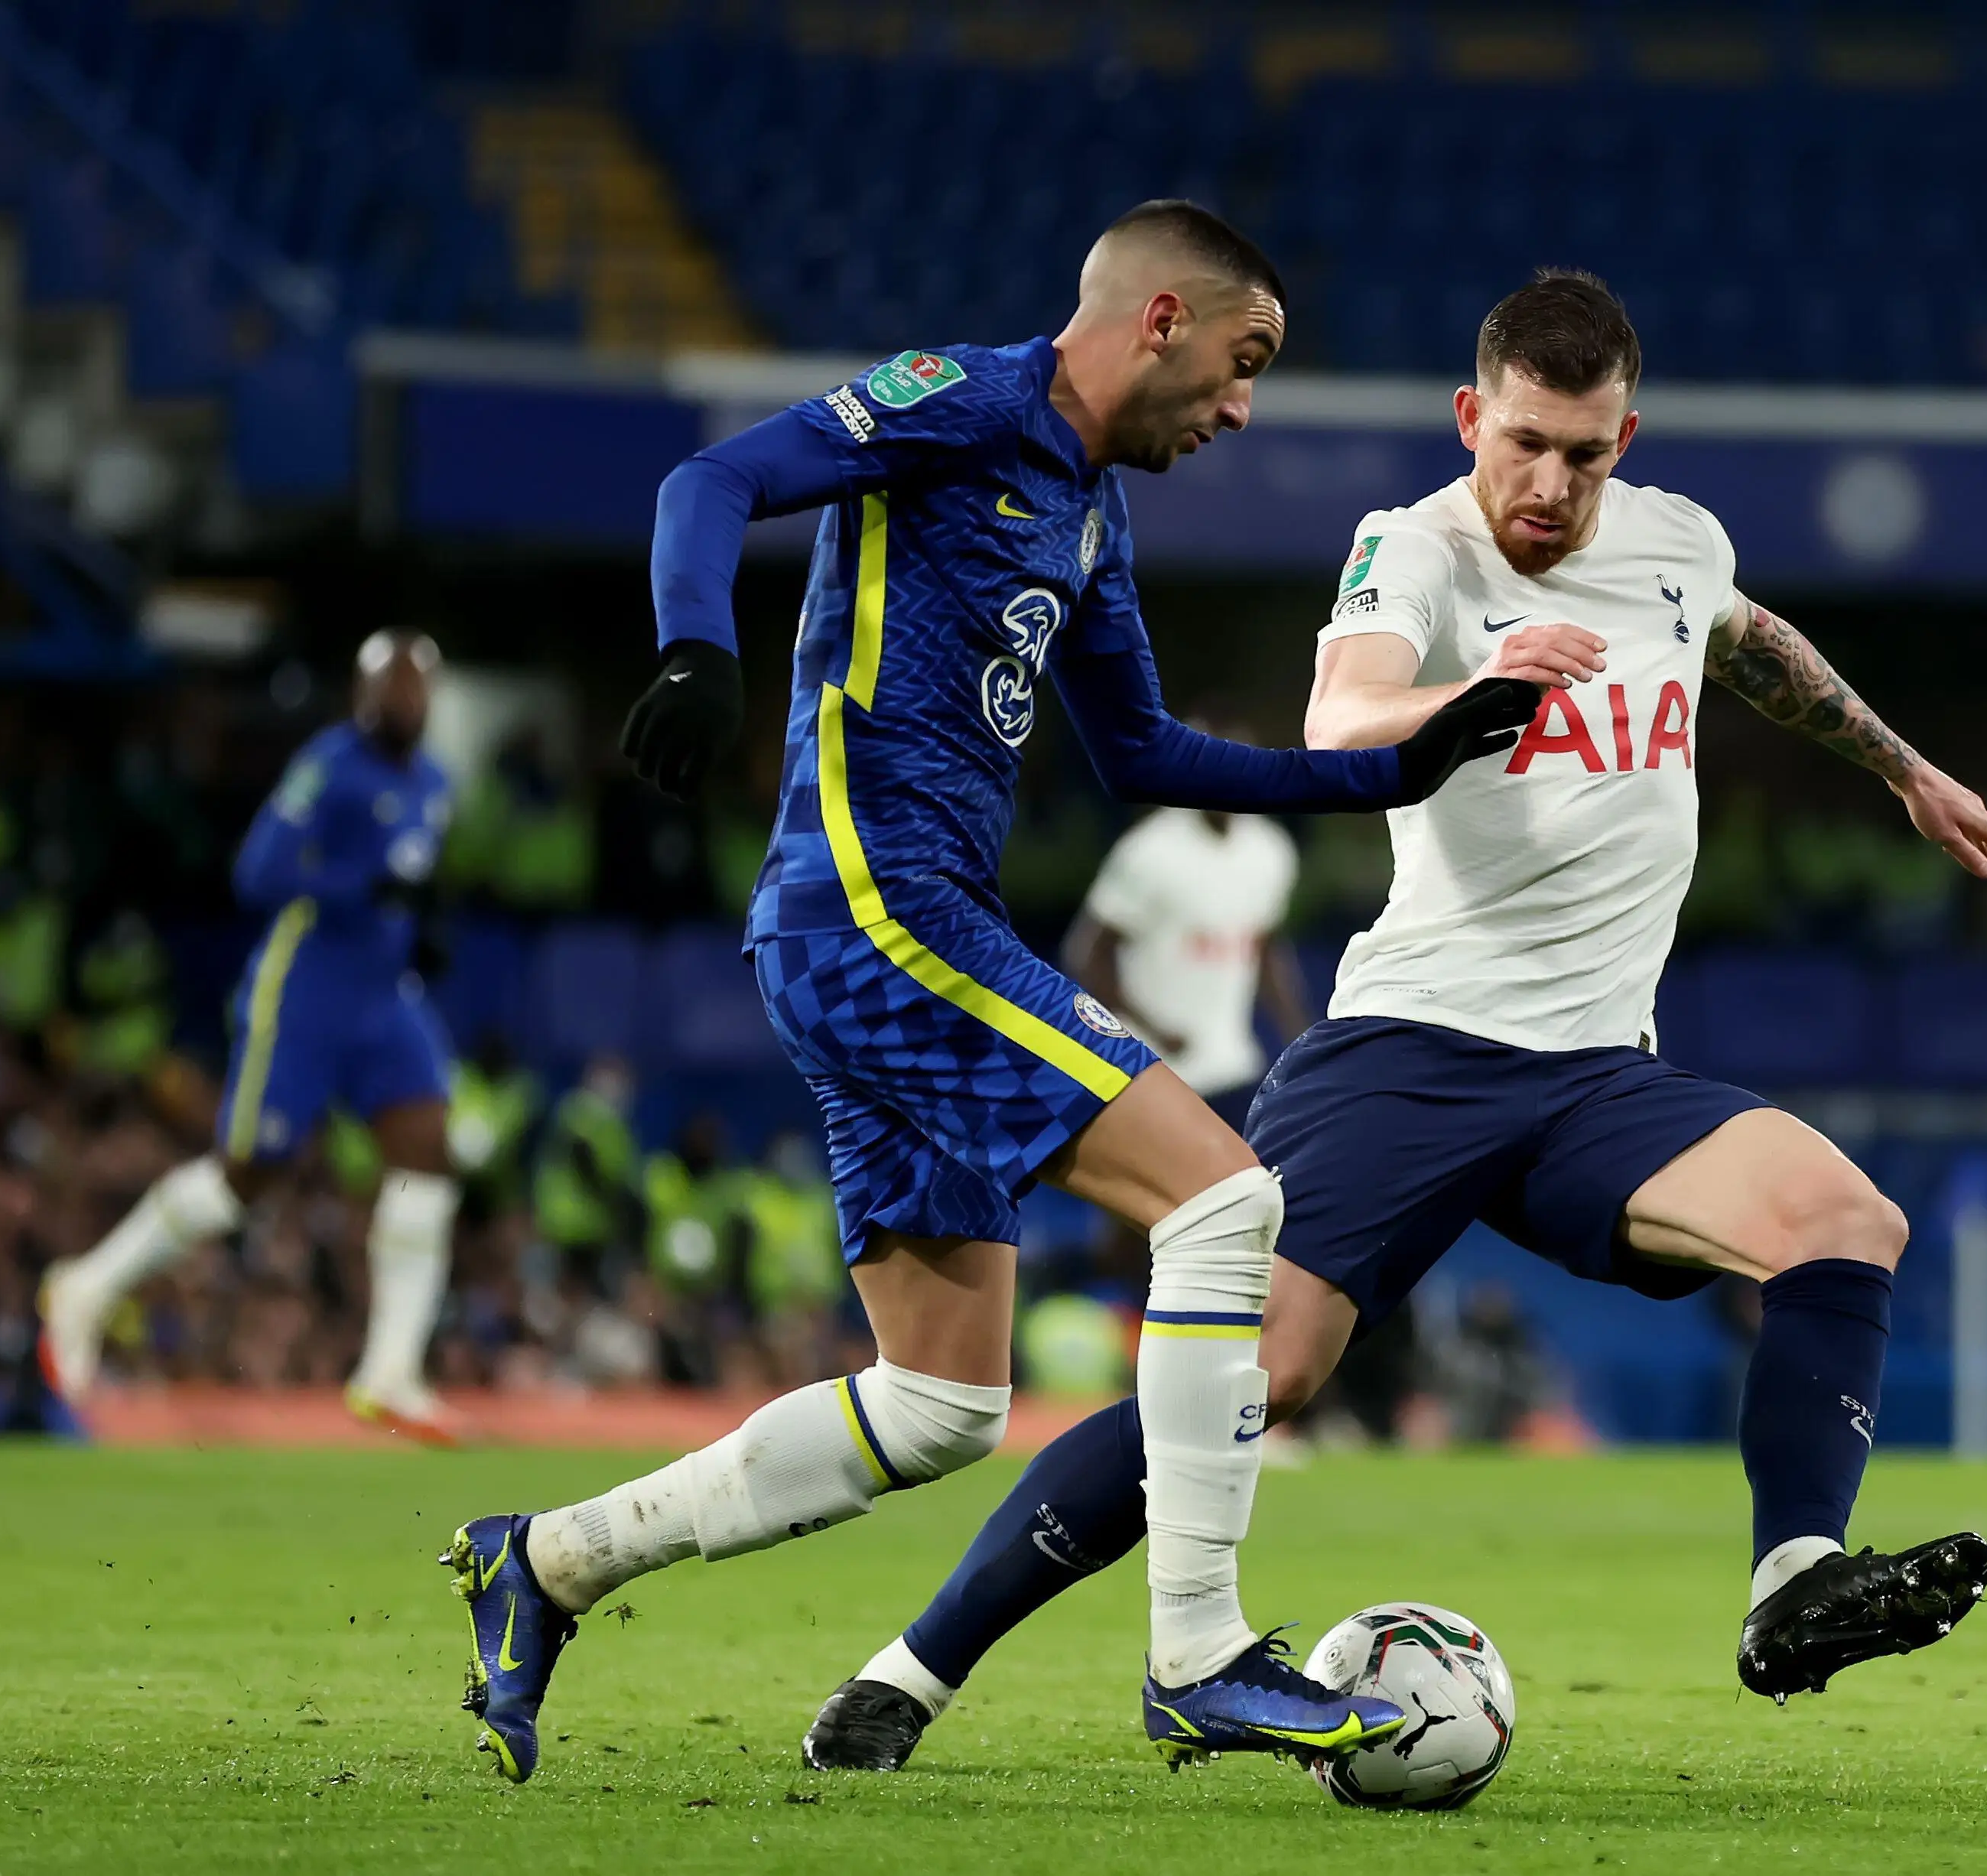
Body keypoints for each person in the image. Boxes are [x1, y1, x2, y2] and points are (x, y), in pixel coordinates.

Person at [799, 270, 1987, 1774]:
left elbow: (1754, 644)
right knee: (1259, 1375)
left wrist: (1903, 767)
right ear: (1471, 417)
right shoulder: (1416, 549)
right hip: (1410, 1051)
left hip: (1594, 1075)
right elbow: (1344, 715)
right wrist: (1476, 680)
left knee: (1846, 1216)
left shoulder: (1675, 543)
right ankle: (910, 1667)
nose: (1549, 481)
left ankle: (1795, 1586)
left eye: (1582, 452)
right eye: (1522, 441)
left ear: (1624, 438)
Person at [437, 199, 1537, 1786]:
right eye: (1242, 364)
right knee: (1227, 1203)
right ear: (1160, 316)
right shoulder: (962, 398)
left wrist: (1393, 762)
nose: (1241, 408)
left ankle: (542, 1561)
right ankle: (1201, 1652)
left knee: (942, 1398)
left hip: (895, 928)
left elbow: (1147, 751)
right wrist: (696, 647)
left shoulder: (1090, 511)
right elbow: (712, 479)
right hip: (874, 907)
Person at [40, 632, 463, 1444]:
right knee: (247, 1178)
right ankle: (86, 1284)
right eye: (387, 685)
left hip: (382, 998)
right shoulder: (331, 764)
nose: (402, 701)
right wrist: (359, 888)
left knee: (429, 1153)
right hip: (302, 994)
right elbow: (259, 870)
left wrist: (417, 924)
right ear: (360, 692)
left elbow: (408, 882)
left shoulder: (436, 782)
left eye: (415, 687)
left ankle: (390, 1370)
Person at [1065, 726, 1307, 1133]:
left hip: (1234, 1067)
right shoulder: (1151, 850)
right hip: (1153, 1071)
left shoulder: (1270, 850)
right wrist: (1153, 1027)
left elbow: (1265, 947)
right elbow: (1088, 956)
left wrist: (1298, 1035)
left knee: (1250, 1189)